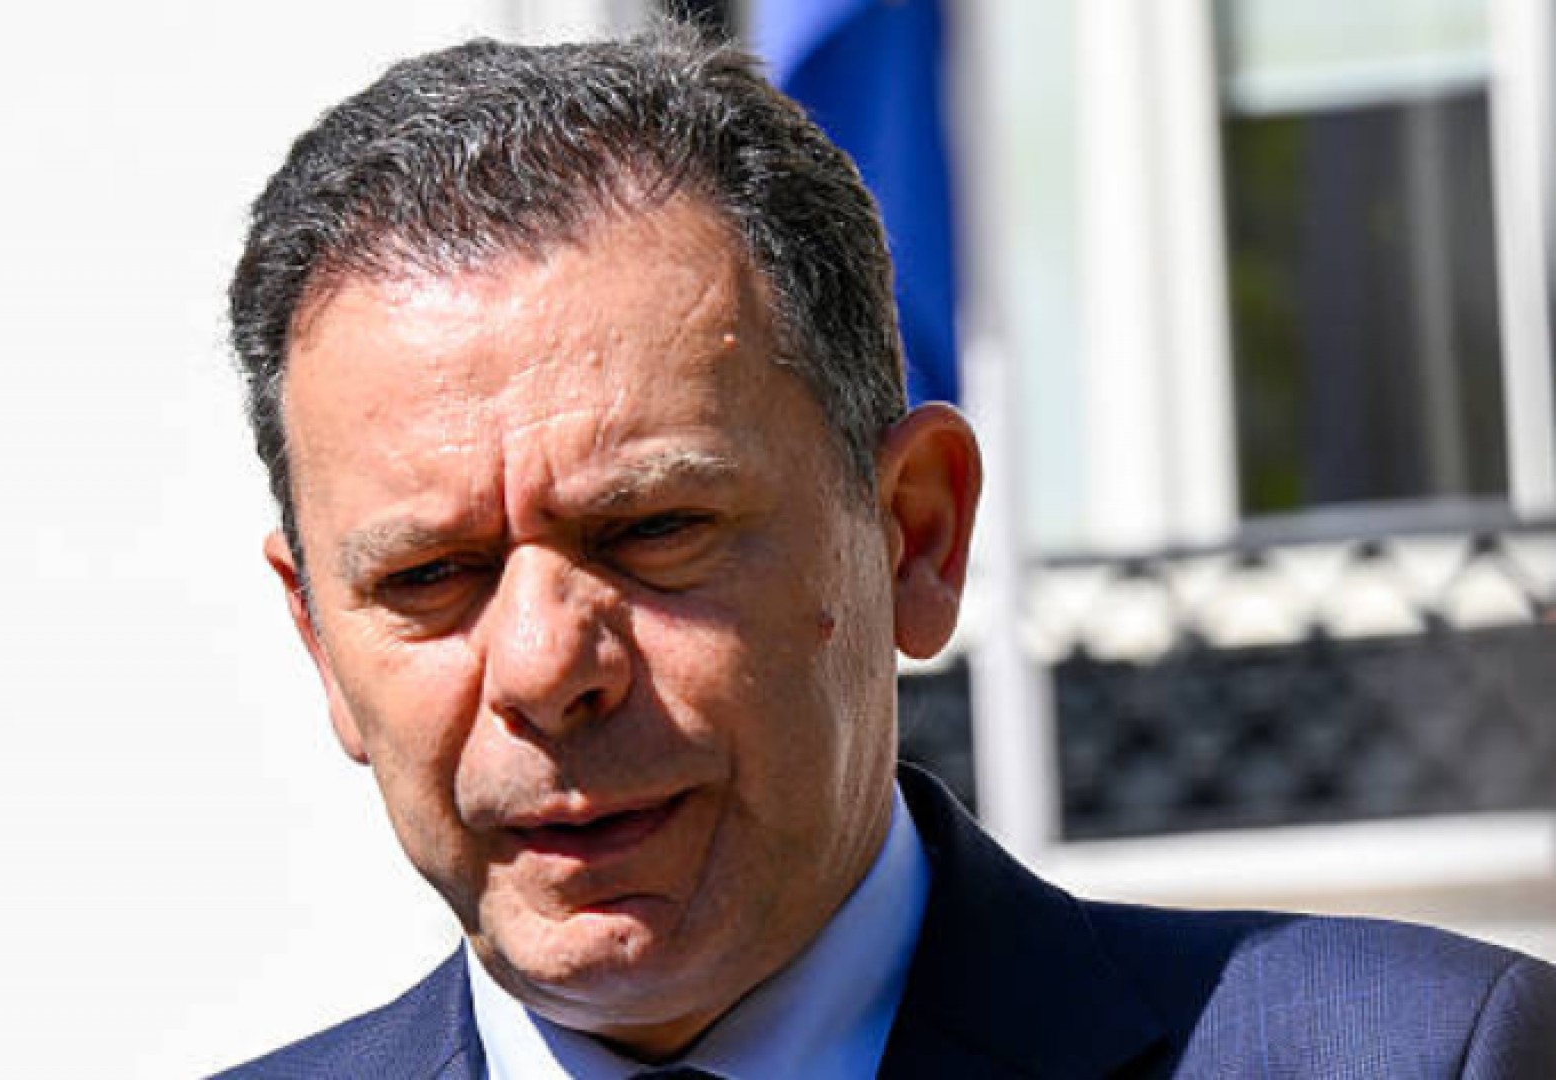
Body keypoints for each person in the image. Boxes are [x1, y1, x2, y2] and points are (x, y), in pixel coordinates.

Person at [214, 27, 1556, 1079]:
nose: (544, 666)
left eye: (653, 531)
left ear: (916, 533)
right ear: (320, 641)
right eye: (427, 578)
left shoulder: (1415, 1056)